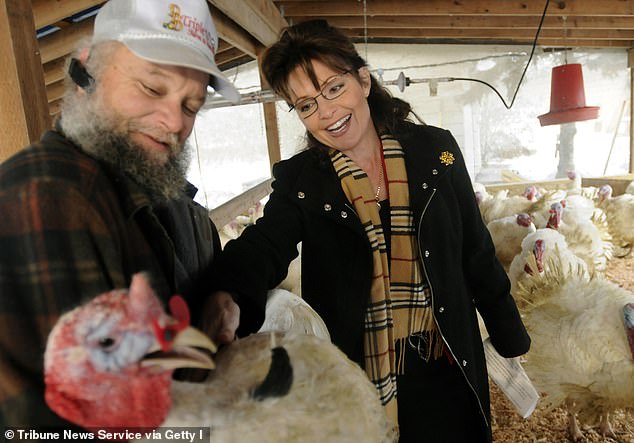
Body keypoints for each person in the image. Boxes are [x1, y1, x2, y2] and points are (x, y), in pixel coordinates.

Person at [209, 20, 531, 442]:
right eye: (305, 105)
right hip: (360, 369)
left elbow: (475, 249)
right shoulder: (304, 181)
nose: (325, 112)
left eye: (333, 88)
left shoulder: (437, 151)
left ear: (362, 80)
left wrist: (509, 336)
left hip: (448, 356)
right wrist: (226, 292)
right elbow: (264, 244)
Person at [0, 0, 241, 427]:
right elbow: (94, 424)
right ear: (85, 73)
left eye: (191, 106)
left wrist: (210, 314)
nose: (173, 122)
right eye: (152, 88)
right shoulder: (51, 195)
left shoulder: (131, 194)